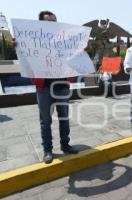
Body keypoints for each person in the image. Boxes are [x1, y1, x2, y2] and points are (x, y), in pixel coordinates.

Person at [33, 11, 78, 164]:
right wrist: (19, 47)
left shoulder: (65, 41)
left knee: (64, 118)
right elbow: (26, 57)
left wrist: (81, 51)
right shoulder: (33, 42)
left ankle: (65, 145)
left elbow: (74, 59)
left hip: (62, 86)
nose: (53, 25)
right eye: (48, 22)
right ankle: (48, 150)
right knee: (45, 121)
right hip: (44, 88)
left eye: (55, 22)